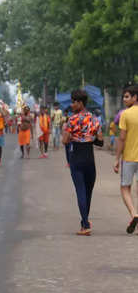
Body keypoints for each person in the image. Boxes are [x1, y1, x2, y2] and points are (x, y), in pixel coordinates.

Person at [63, 89, 103, 236]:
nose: (72, 105)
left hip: (76, 158)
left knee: (80, 191)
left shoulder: (72, 120)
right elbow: (100, 141)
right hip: (89, 158)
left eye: (74, 102)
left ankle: (85, 224)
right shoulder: (94, 119)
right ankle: (84, 222)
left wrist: (73, 136)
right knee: (88, 192)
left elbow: (65, 140)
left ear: (80, 102)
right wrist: (89, 137)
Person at [113, 84, 138, 233]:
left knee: (125, 188)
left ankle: (134, 214)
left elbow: (121, 139)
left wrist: (116, 159)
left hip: (129, 158)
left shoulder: (125, 114)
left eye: (127, 96)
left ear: (135, 98)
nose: (124, 99)